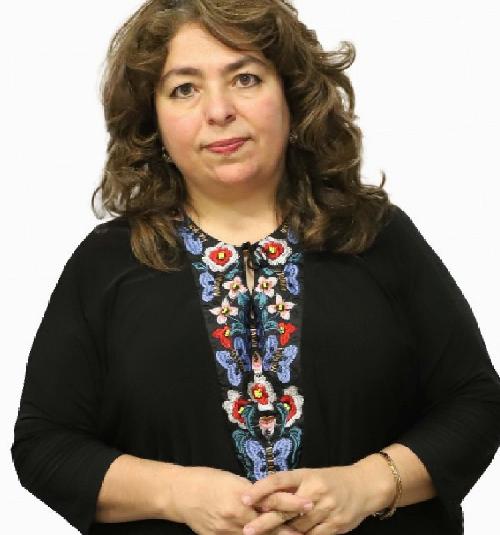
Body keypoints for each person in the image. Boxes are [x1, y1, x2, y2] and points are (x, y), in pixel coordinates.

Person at [10, 1, 500, 534]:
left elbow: (476, 402)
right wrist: (177, 494)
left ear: (292, 94)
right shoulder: (107, 262)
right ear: (152, 119)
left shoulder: (375, 236)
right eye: (184, 88)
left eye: (245, 78)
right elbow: (45, 445)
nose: (218, 110)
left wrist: (366, 485)